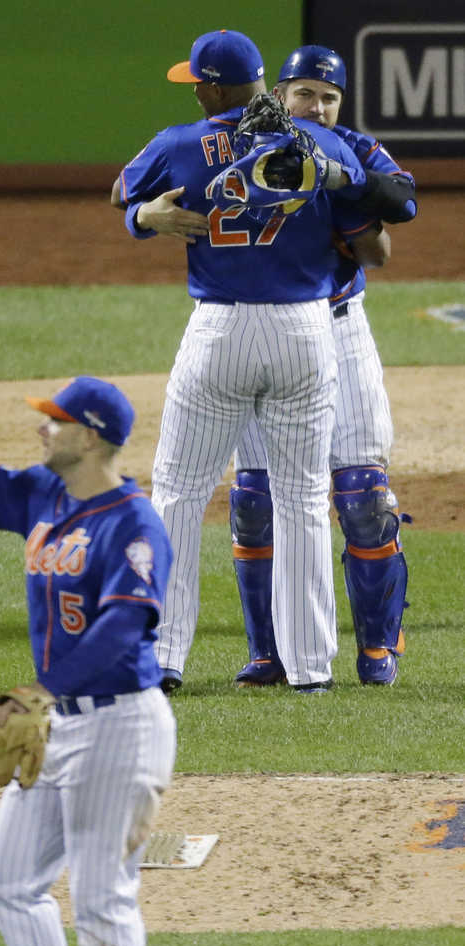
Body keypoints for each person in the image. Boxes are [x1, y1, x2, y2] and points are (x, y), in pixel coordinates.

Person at [112, 28, 392, 694]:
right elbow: (386, 202)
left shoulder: (179, 144)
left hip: (220, 329)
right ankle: (310, 668)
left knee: (178, 492)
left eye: (196, 84)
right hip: (306, 332)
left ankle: (164, 657)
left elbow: (123, 193)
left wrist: (145, 217)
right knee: (302, 500)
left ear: (211, 88)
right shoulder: (317, 141)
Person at [0, 311, 176, 946]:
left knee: (101, 900)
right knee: (6, 882)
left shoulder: (135, 524)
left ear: (90, 437)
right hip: (61, 724)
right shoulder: (44, 494)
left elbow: (124, 630)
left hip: (121, 727)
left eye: (55, 420)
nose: (42, 427)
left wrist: (42, 690)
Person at [228, 45, 416, 689]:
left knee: (365, 498)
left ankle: (377, 649)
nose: (319, 107)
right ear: (280, 94)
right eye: (306, 93)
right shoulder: (235, 144)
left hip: (339, 331)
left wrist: (339, 179)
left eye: (329, 97)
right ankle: (268, 653)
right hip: (261, 331)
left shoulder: (356, 148)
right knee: (255, 500)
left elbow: (400, 208)